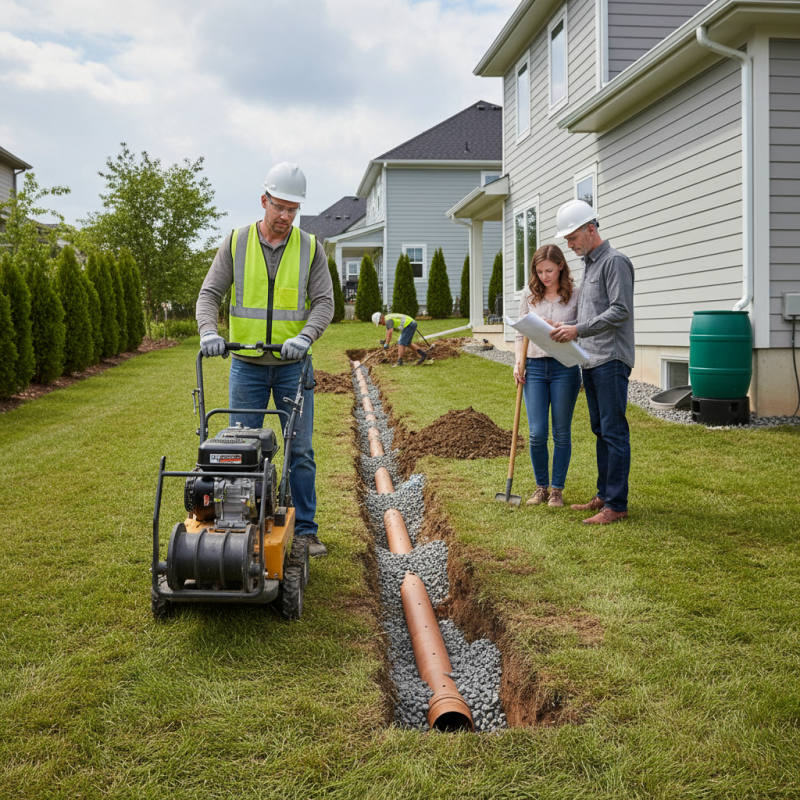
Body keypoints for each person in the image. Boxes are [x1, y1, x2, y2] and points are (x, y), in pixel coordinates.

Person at [196, 162, 334, 555]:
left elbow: (324, 302)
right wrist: (209, 332)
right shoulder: (236, 243)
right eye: (280, 208)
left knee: (300, 450)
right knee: (240, 448)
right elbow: (209, 295)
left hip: (293, 368)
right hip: (247, 367)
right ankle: (240, 525)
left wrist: (305, 337)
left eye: (293, 210)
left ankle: (306, 530)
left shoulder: (310, 247)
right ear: (264, 201)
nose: (286, 217)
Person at [549, 199, 635, 525]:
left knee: (614, 431)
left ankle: (616, 504)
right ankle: (604, 494)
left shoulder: (615, 262)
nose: (569, 245)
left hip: (611, 358)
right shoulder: (590, 265)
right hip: (592, 360)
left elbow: (620, 310)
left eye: (572, 238)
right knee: (600, 430)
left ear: (590, 229)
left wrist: (578, 328)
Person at [513, 244, 581, 508]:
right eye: (539, 271)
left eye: (549, 270)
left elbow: (582, 329)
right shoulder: (529, 295)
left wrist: (562, 327)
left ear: (561, 266)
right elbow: (521, 332)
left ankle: (556, 490)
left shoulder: (575, 294)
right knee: (537, 433)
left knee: (561, 432)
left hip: (565, 368)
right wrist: (519, 363)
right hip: (536, 368)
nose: (544, 276)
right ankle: (540, 487)